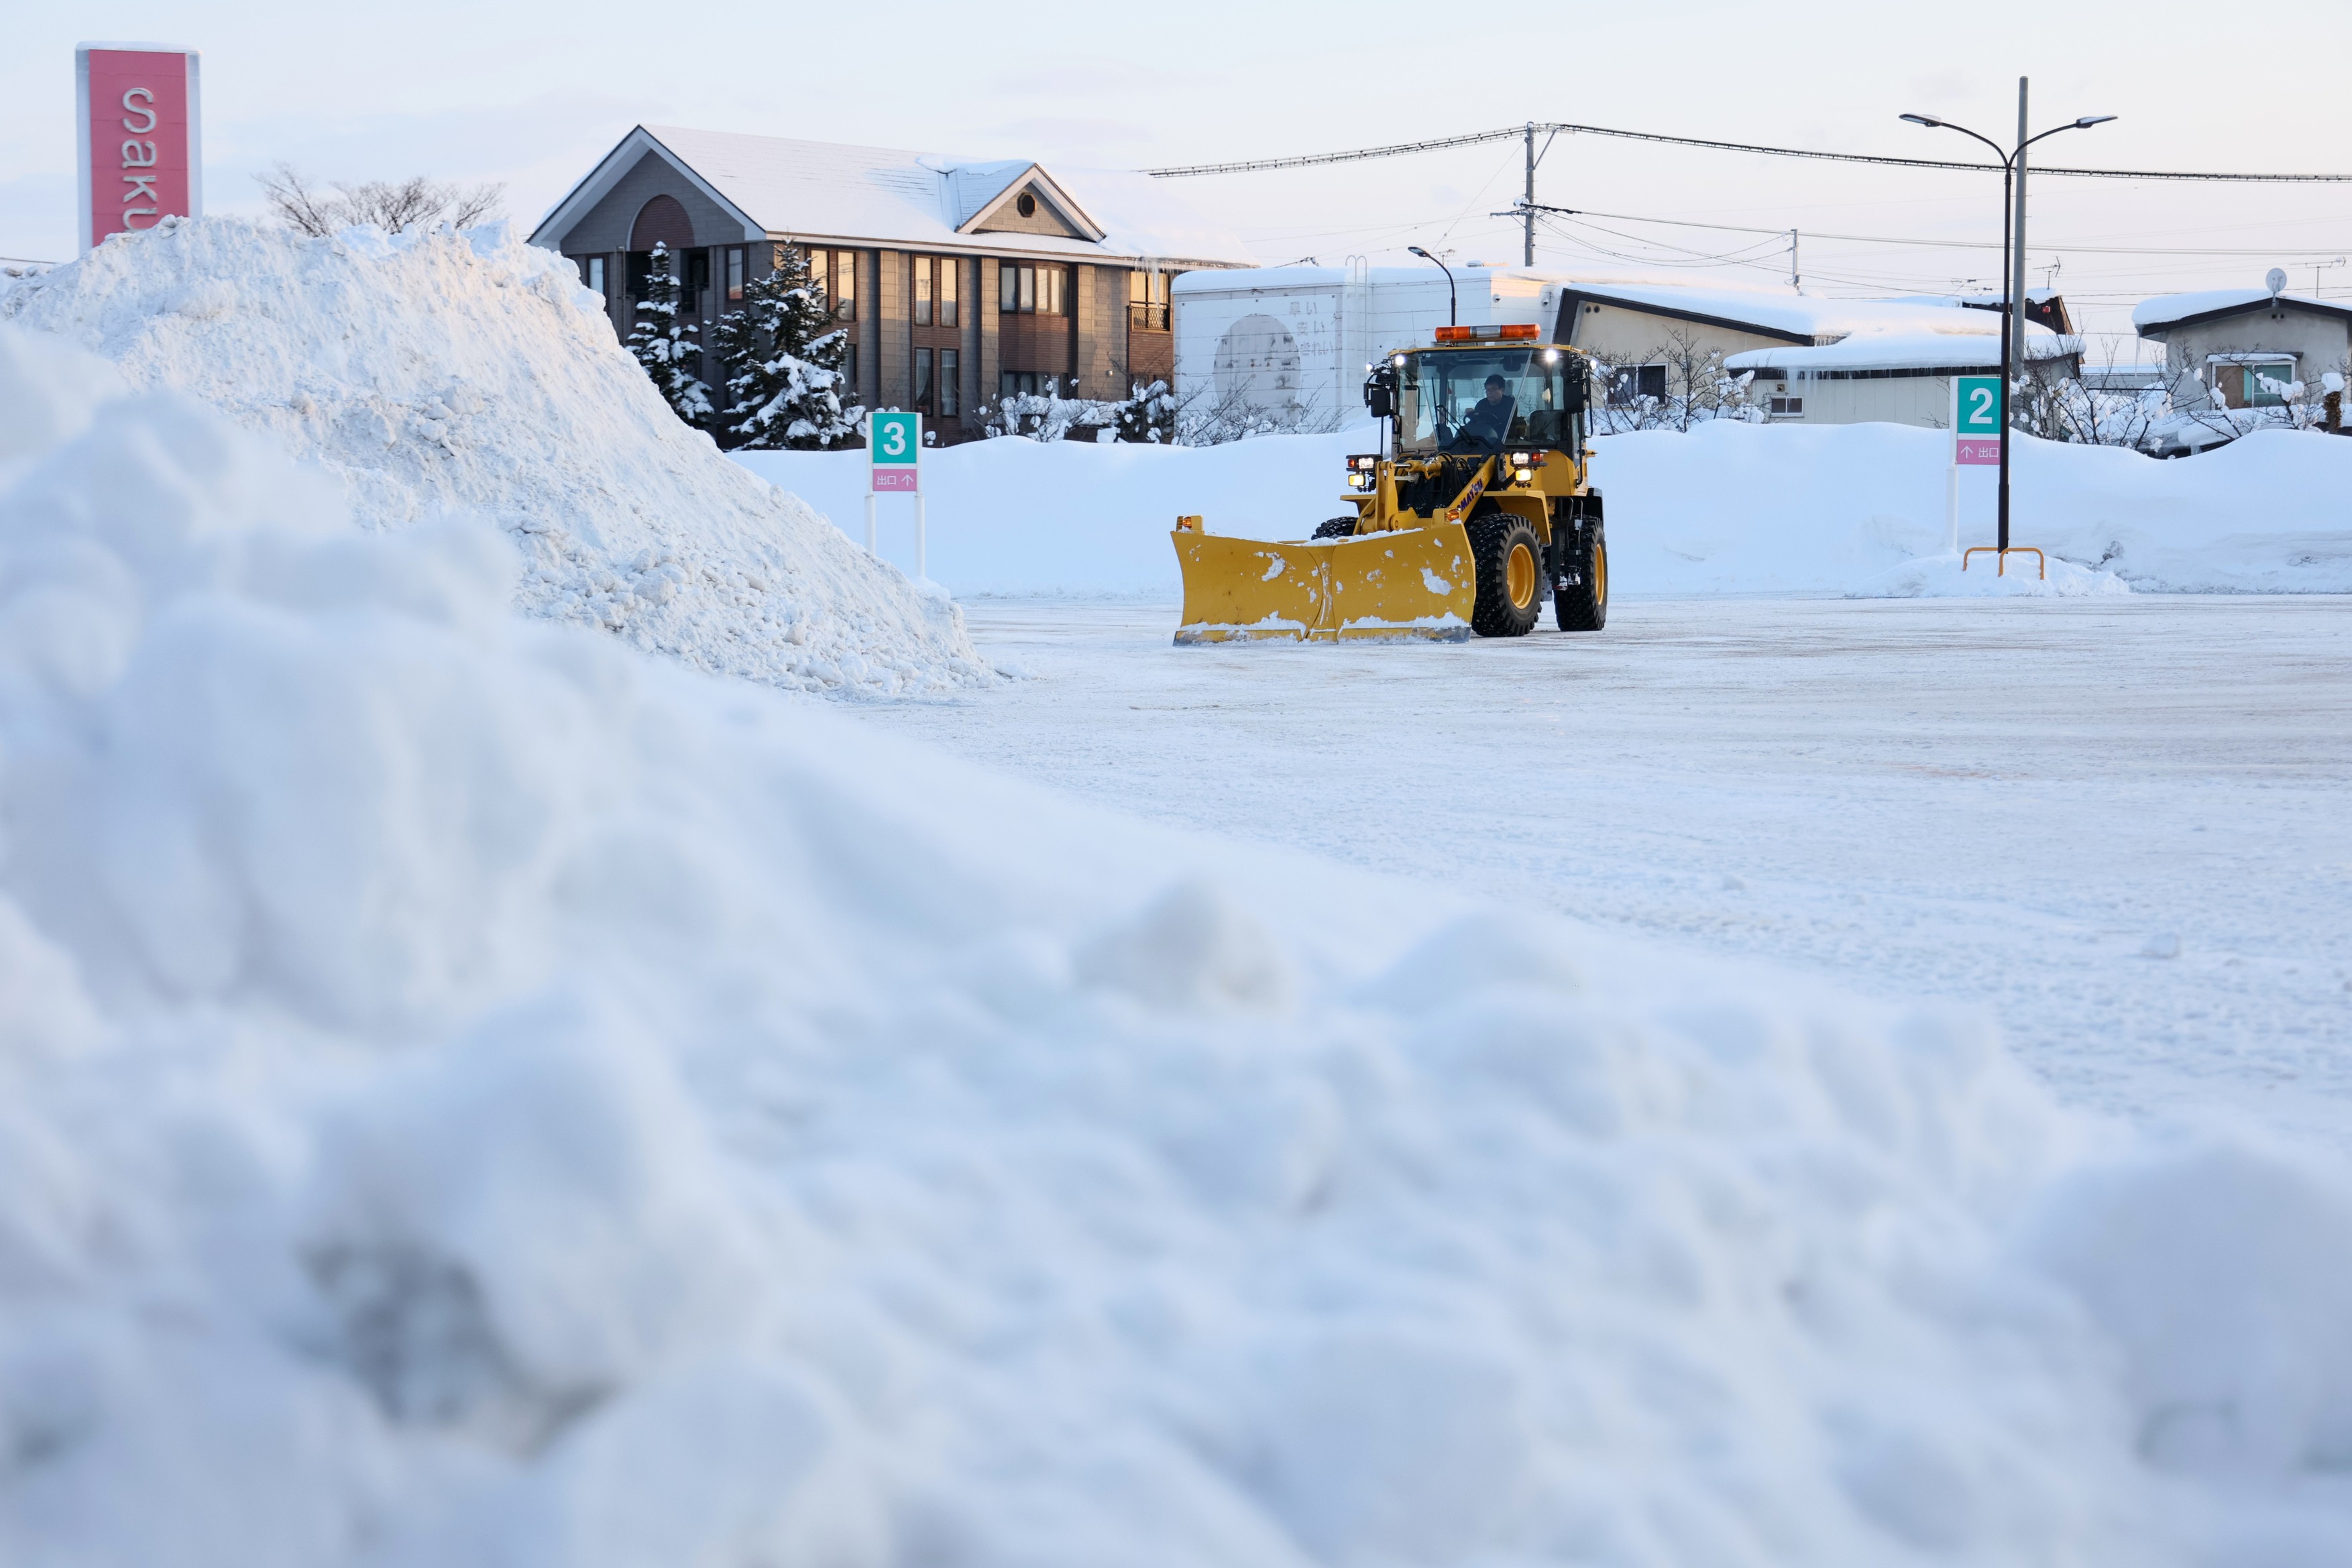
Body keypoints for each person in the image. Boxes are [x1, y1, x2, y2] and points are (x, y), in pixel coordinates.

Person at [1446, 374, 1516, 453]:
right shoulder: (1482, 404)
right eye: (1487, 390)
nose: (1489, 393)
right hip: (1483, 441)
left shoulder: (1510, 404)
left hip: (1504, 441)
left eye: (1493, 389)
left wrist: (1480, 416)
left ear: (1502, 390)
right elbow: (1475, 423)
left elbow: (1505, 420)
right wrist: (1472, 416)